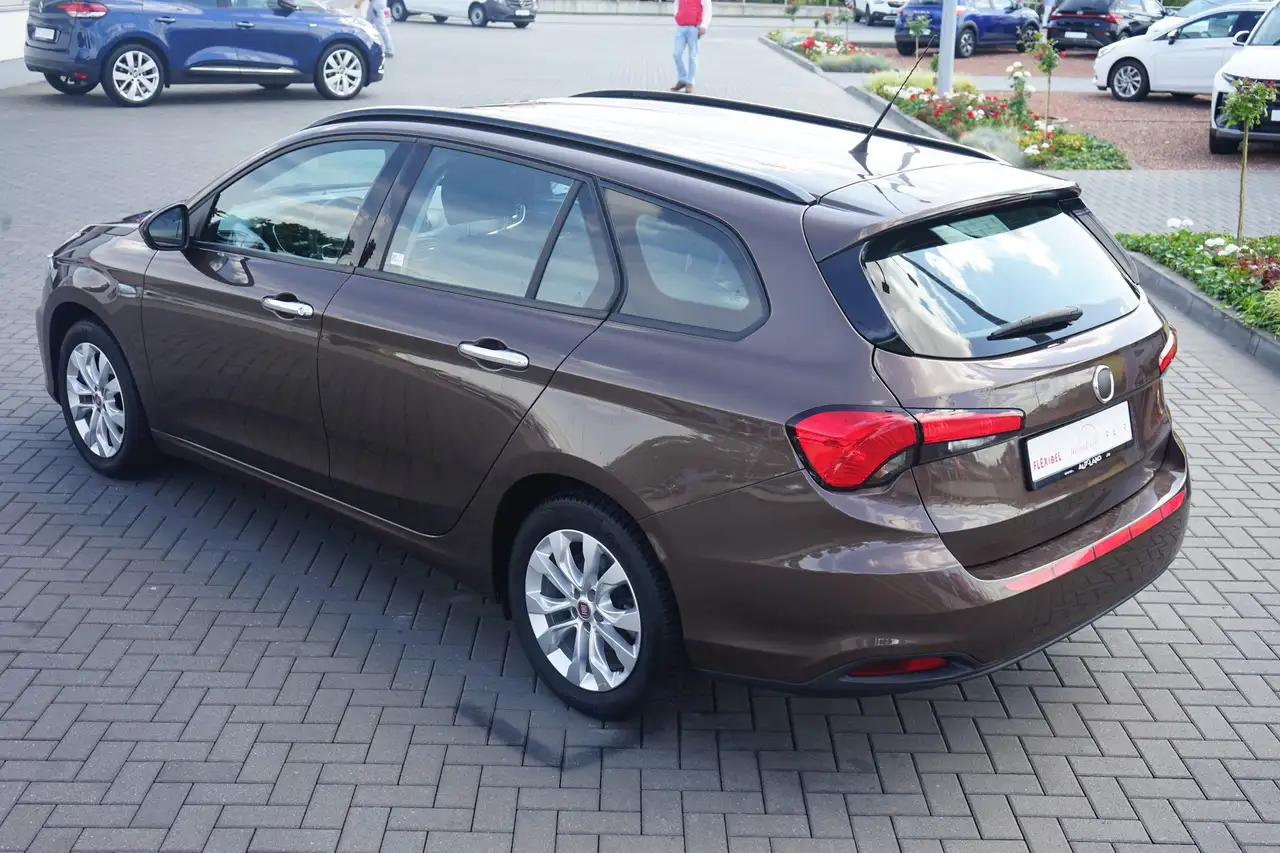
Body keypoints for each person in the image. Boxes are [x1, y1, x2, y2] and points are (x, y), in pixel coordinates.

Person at [670, 0, 711, 94]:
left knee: (692, 56)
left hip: (694, 27)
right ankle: (682, 79)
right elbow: (676, 4)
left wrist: (704, 26)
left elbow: (708, 9)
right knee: (676, 54)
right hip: (681, 27)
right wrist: (677, 16)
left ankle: (690, 82)